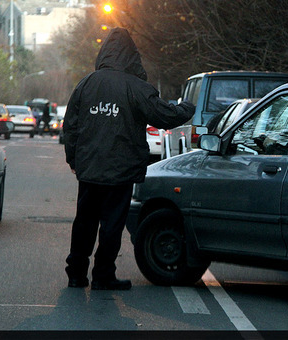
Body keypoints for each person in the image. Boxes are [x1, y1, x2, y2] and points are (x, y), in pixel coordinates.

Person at [63, 27, 195, 290]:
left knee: (84, 221)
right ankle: (103, 275)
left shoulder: (86, 83)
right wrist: (188, 107)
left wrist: (75, 160)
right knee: (111, 224)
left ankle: (76, 273)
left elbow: (71, 126)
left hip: (89, 169)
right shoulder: (136, 88)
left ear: (104, 53)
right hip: (120, 170)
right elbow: (164, 116)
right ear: (131, 56)